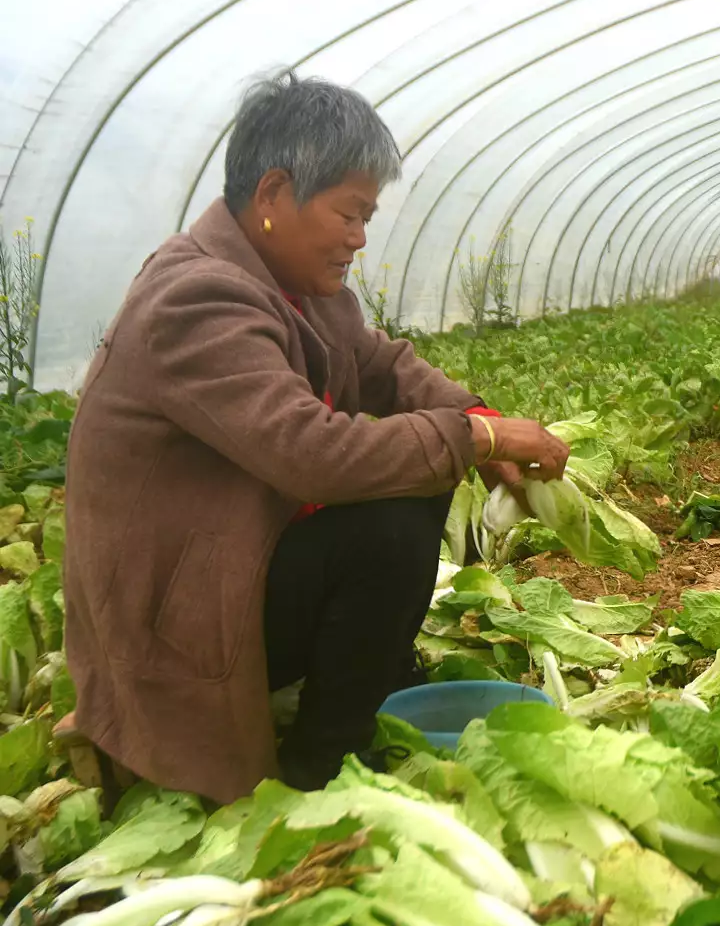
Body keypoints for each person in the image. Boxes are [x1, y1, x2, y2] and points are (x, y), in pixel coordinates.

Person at [61, 71, 570, 803]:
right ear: (273, 195)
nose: (360, 239)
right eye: (348, 214)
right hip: (164, 632)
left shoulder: (293, 287)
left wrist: (481, 420)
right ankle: (315, 770)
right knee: (389, 527)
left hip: (224, 574)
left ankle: (373, 683)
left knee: (413, 480)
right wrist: (475, 441)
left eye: (367, 217)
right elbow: (313, 457)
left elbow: (380, 364)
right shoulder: (197, 297)